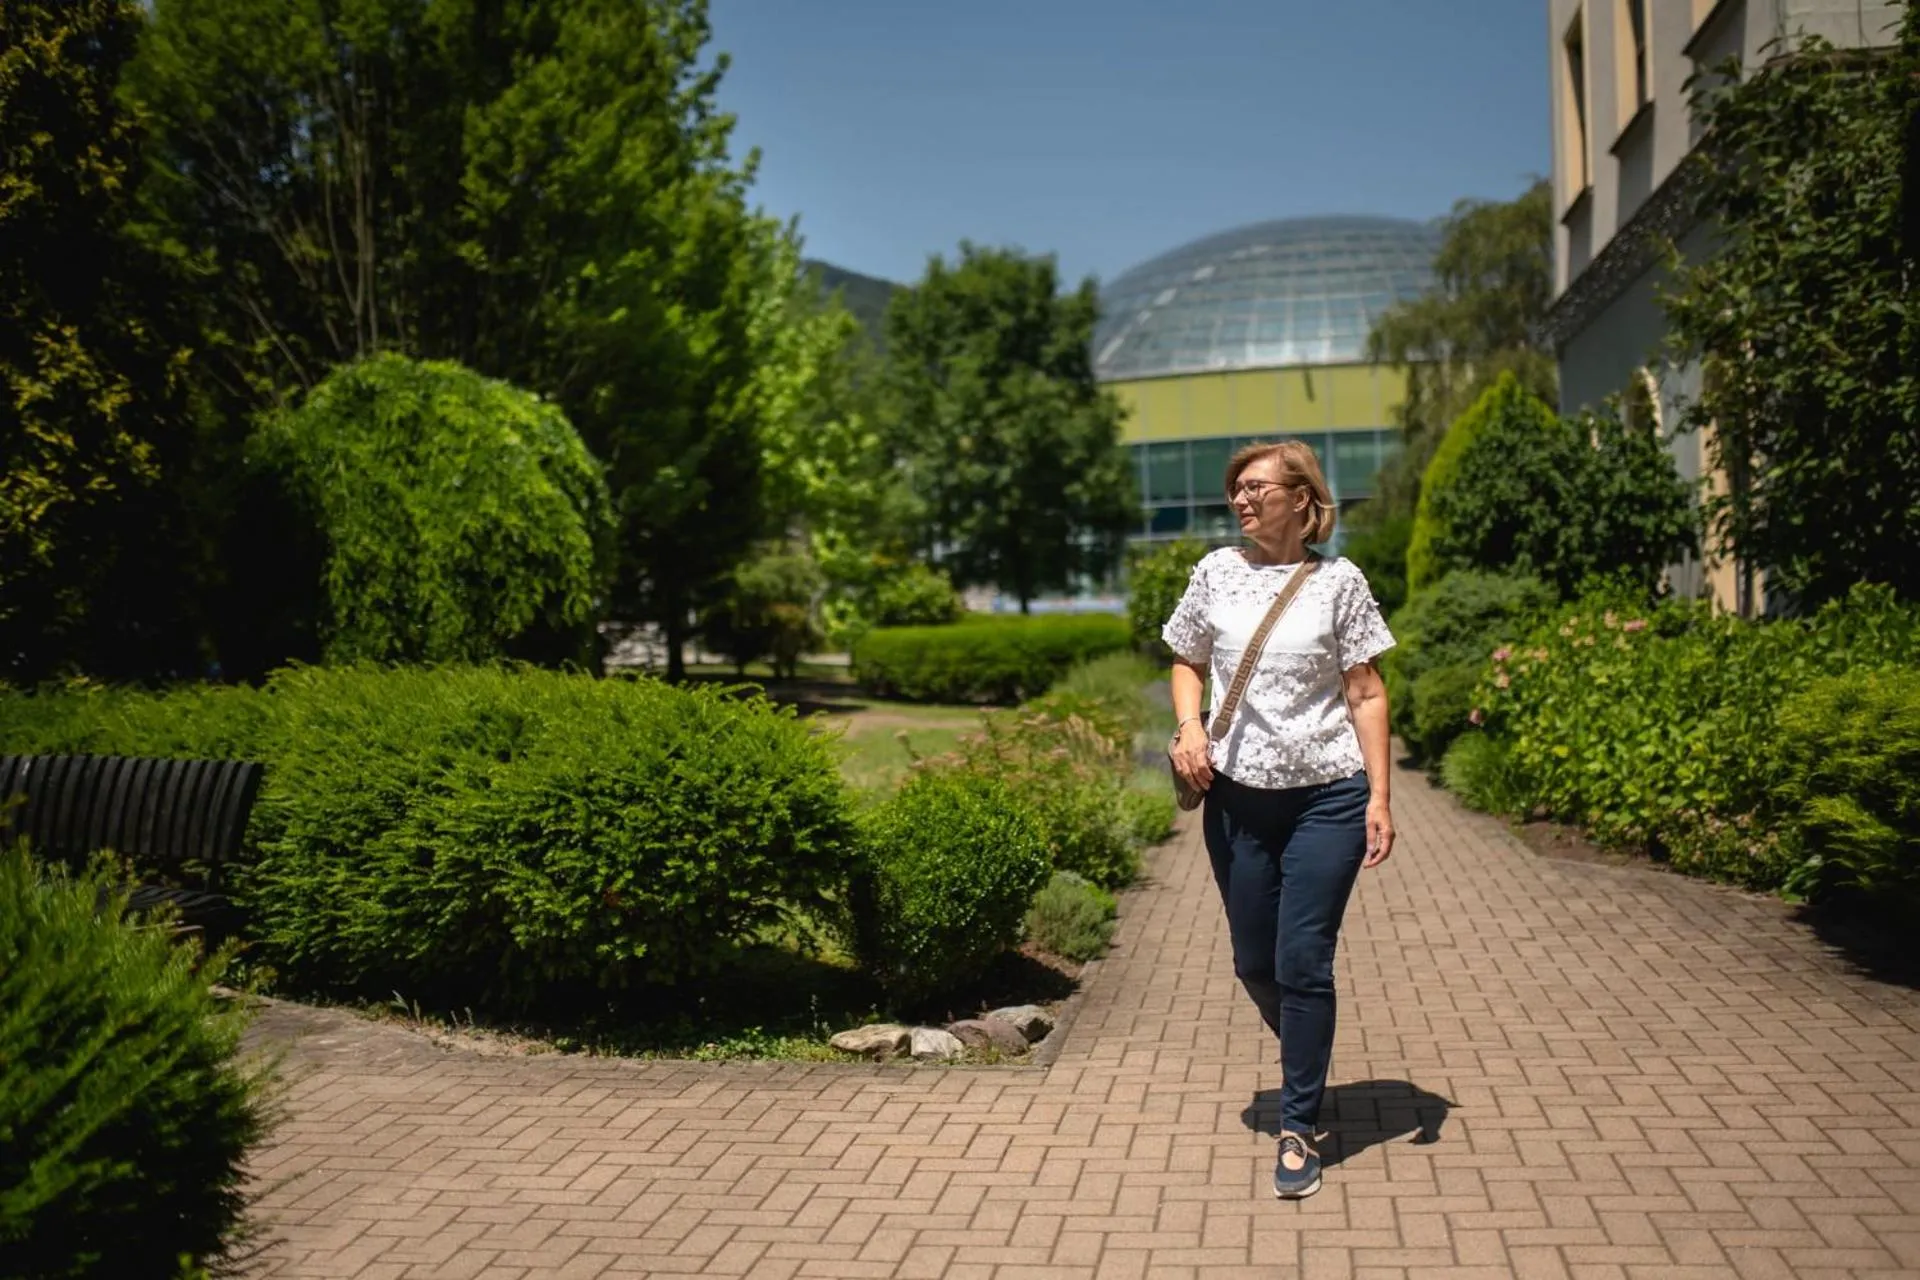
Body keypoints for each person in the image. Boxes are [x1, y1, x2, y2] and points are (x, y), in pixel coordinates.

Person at [1161, 439, 1395, 1201]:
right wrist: (1190, 727)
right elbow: (1185, 657)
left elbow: (1365, 692)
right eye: (1236, 489)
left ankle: (1299, 1127)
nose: (1241, 498)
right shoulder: (1214, 574)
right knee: (1253, 963)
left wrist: (1382, 798)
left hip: (1328, 795)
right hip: (1238, 800)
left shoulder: (1340, 583)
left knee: (1302, 962)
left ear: (1302, 498)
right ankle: (1308, 1046)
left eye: (1256, 486)